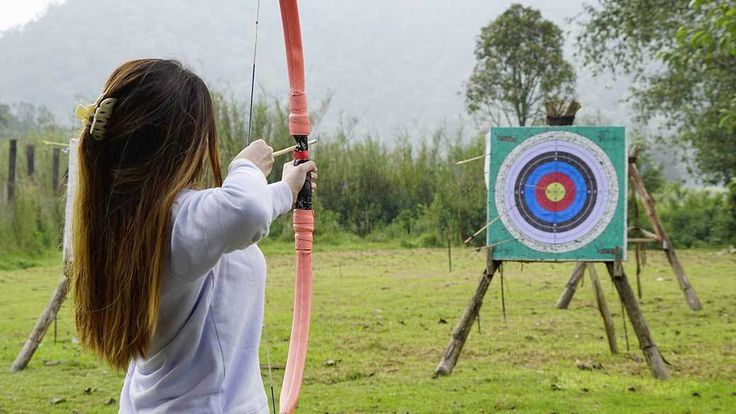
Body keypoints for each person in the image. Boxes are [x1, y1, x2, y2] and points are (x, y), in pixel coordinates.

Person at [71, 58, 317, 413]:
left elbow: (230, 218)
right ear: (180, 143)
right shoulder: (178, 219)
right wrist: (246, 166)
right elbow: (245, 210)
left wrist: (286, 190)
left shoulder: (125, 220)